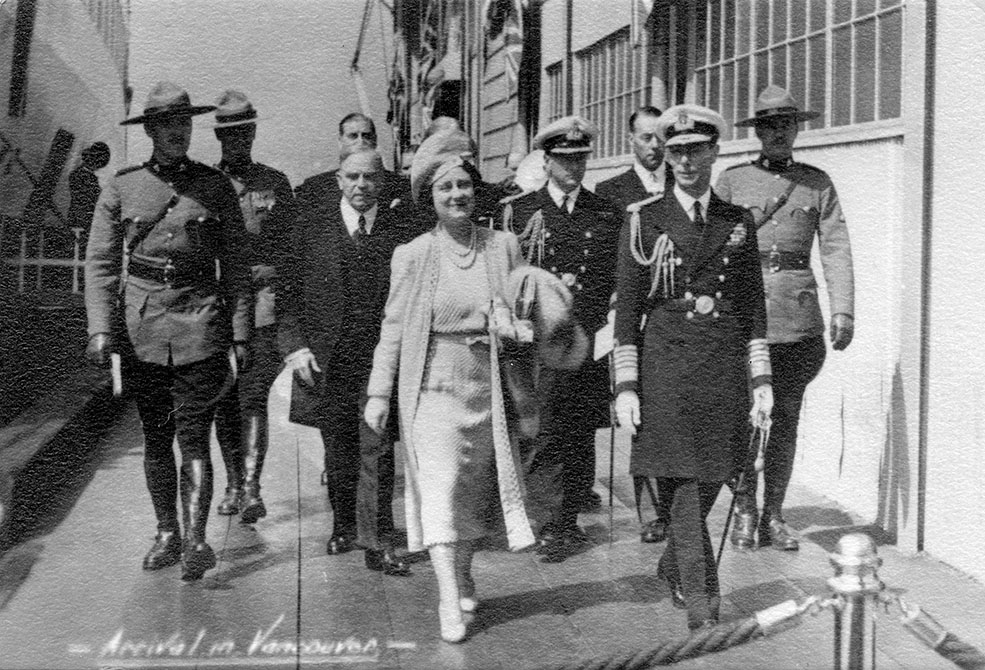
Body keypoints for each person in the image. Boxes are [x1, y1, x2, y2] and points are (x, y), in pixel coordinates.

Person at [363, 131, 550, 643]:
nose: (456, 196)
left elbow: (525, 316)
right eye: (445, 188)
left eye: (463, 185)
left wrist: (515, 327)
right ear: (431, 196)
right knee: (442, 490)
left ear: (475, 189)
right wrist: (379, 393)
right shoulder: (413, 254)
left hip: (486, 387)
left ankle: (463, 573)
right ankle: (449, 596)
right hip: (430, 390)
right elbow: (393, 327)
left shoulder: (503, 246)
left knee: (472, 495)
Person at [612, 104, 773, 631]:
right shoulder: (644, 220)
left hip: (722, 371)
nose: (683, 161)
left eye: (695, 150)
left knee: (713, 477)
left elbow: (752, 308)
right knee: (682, 485)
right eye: (675, 151)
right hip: (666, 372)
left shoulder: (737, 222)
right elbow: (629, 312)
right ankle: (704, 605)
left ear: (714, 153)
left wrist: (761, 379)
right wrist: (627, 387)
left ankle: (672, 564)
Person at [84, 82, 252, 581]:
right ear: (152, 131)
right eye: (167, 126)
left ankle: (197, 538)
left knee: (194, 434)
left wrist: (240, 333)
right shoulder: (122, 186)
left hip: (201, 323)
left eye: (184, 124)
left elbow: (238, 265)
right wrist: (99, 329)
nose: (178, 133)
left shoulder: (215, 186)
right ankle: (166, 533)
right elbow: (99, 264)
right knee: (157, 437)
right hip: (142, 330)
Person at [715, 85, 855, 552]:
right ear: (758, 132)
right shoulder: (732, 181)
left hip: (797, 321)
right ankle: (745, 508)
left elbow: (834, 248)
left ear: (797, 129)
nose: (779, 133)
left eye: (787, 124)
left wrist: (843, 308)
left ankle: (774, 514)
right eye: (770, 125)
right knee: (742, 417)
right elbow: (711, 249)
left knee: (787, 418)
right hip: (743, 318)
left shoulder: (817, 183)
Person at [278, 149, 420, 576]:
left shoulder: (402, 232)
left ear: (383, 182)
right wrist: (295, 347)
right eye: (353, 177)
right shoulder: (310, 229)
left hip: (380, 358)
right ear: (338, 180)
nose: (362, 185)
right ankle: (343, 525)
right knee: (337, 447)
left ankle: (379, 540)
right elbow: (288, 295)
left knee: (376, 445)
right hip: (325, 360)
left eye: (370, 178)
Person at [503, 115, 621, 563]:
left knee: (580, 429)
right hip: (539, 342)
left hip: (586, 338)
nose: (573, 167)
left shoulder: (606, 213)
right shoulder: (520, 210)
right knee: (546, 429)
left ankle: (568, 513)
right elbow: (511, 278)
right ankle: (552, 523)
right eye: (563, 160)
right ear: (547, 161)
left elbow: (612, 277)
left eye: (580, 159)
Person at [209, 90, 295, 524]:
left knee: (254, 394)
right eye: (228, 134)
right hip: (218, 303)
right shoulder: (205, 183)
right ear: (219, 137)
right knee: (224, 398)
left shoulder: (274, 184)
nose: (236, 140)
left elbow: (293, 248)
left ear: (254, 131)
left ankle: (251, 486)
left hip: (264, 302)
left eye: (243, 132)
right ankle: (230, 484)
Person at [594, 105, 674, 545]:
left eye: (660, 136)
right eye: (645, 137)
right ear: (631, 140)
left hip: (667, 318)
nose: (654, 145)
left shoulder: (679, 185)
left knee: (668, 410)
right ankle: (650, 511)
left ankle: (670, 503)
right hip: (626, 315)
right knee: (637, 411)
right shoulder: (610, 192)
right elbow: (608, 259)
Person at [68, 141, 111, 253]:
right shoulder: (84, 176)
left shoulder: (81, 175)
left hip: (82, 220)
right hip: (82, 222)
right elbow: (89, 200)